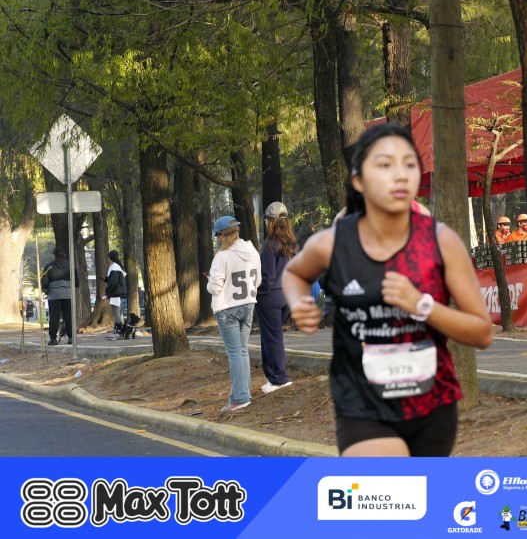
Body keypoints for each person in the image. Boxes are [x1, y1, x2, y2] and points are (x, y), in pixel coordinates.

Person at [282, 123, 492, 457]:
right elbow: (294, 272)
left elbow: (482, 332)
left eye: (409, 164)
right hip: (361, 404)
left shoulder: (441, 241)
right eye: (384, 165)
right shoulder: (333, 243)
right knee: (386, 484)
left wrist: (421, 305)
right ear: (358, 181)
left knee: (419, 491)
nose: (400, 175)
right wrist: (300, 301)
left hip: (431, 406)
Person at [206, 216, 262, 413]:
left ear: (222, 235)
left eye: (218, 236)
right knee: (243, 350)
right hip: (248, 303)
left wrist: (209, 282)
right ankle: (244, 392)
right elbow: (258, 280)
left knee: (235, 353)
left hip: (227, 307)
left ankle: (240, 397)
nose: (218, 239)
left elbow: (215, 287)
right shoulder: (252, 251)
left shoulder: (221, 257)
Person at [257, 201, 296, 394]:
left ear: (270, 221)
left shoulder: (270, 244)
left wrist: (259, 293)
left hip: (270, 296)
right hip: (287, 294)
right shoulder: (291, 243)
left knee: (271, 338)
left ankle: (279, 378)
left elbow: (267, 276)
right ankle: (273, 377)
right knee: (273, 336)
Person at [41, 246, 79, 345]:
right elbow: (77, 282)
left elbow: (44, 281)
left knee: (54, 317)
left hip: (54, 295)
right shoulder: (71, 265)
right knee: (68, 316)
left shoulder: (48, 266)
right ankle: (71, 337)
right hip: (68, 294)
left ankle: (53, 339)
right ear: (64, 255)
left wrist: (46, 290)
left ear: (54, 255)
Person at [102, 250, 127, 335]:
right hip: (116, 291)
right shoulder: (116, 266)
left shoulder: (114, 267)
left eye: (108, 257)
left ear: (110, 258)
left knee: (116, 311)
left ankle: (119, 330)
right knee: (116, 311)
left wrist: (107, 292)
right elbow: (113, 280)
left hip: (116, 292)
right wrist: (106, 279)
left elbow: (113, 282)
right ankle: (118, 328)